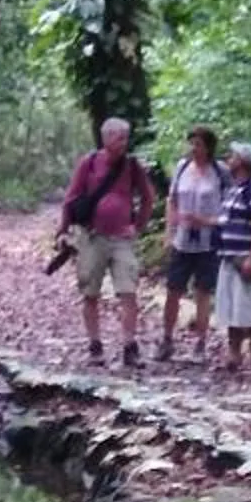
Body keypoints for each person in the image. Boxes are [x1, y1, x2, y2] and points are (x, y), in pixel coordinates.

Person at [56, 116, 156, 366]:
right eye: (120, 137)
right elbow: (71, 198)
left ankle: (129, 346)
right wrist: (62, 231)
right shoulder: (89, 163)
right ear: (107, 138)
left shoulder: (132, 166)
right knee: (90, 292)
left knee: (128, 292)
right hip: (92, 237)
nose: (125, 142)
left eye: (126, 137)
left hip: (122, 238)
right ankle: (95, 345)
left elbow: (147, 197)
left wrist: (138, 226)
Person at [157, 126, 226, 361]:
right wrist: (169, 231)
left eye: (198, 144)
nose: (193, 149)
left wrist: (206, 221)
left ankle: (200, 344)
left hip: (208, 242)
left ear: (208, 147)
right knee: (173, 290)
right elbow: (172, 200)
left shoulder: (220, 172)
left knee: (202, 293)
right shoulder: (182, 167)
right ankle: (166, 340)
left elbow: (229, 210)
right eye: (191, 144)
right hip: (182, 240)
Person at [212, 140, 251, 372]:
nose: (228, 159)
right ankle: (233, 355)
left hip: (246, 259)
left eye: (232, 156)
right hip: (228, 258)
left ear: (242, 161)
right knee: (231, 310)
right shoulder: (232, 190)